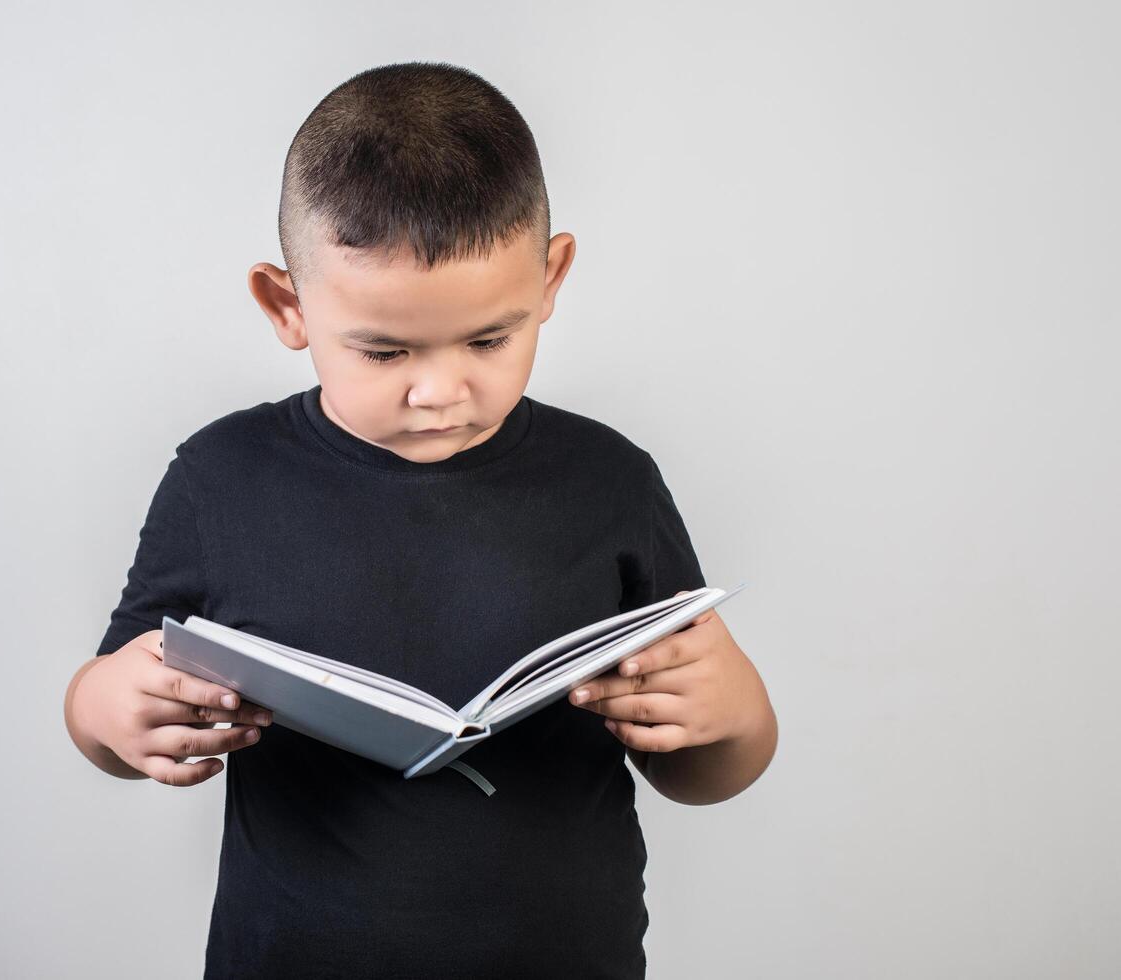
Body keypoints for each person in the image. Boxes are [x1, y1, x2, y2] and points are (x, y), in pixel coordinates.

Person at [63, 60, 777, 979]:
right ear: (289, 307)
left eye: (489, 339)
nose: (440, 391)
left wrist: (736, 715)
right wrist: (107, 708)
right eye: (382, 349)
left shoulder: (609, 481)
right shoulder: (220, 479)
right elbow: (113, 703)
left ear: (550, 278)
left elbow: (699, 768)